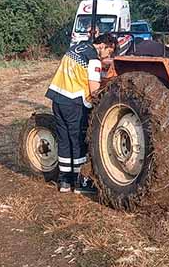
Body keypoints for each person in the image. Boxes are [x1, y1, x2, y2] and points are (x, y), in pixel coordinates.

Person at [46, 33, 117, 194]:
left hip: (57, 98)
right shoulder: (93, 59)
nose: (108, 56)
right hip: (75, 102)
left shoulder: (76, 48)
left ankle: (65, 181)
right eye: (109, 52)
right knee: (78, 141)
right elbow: (93, 89)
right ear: (103, 45)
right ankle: (81, 182)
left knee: (64, 140)